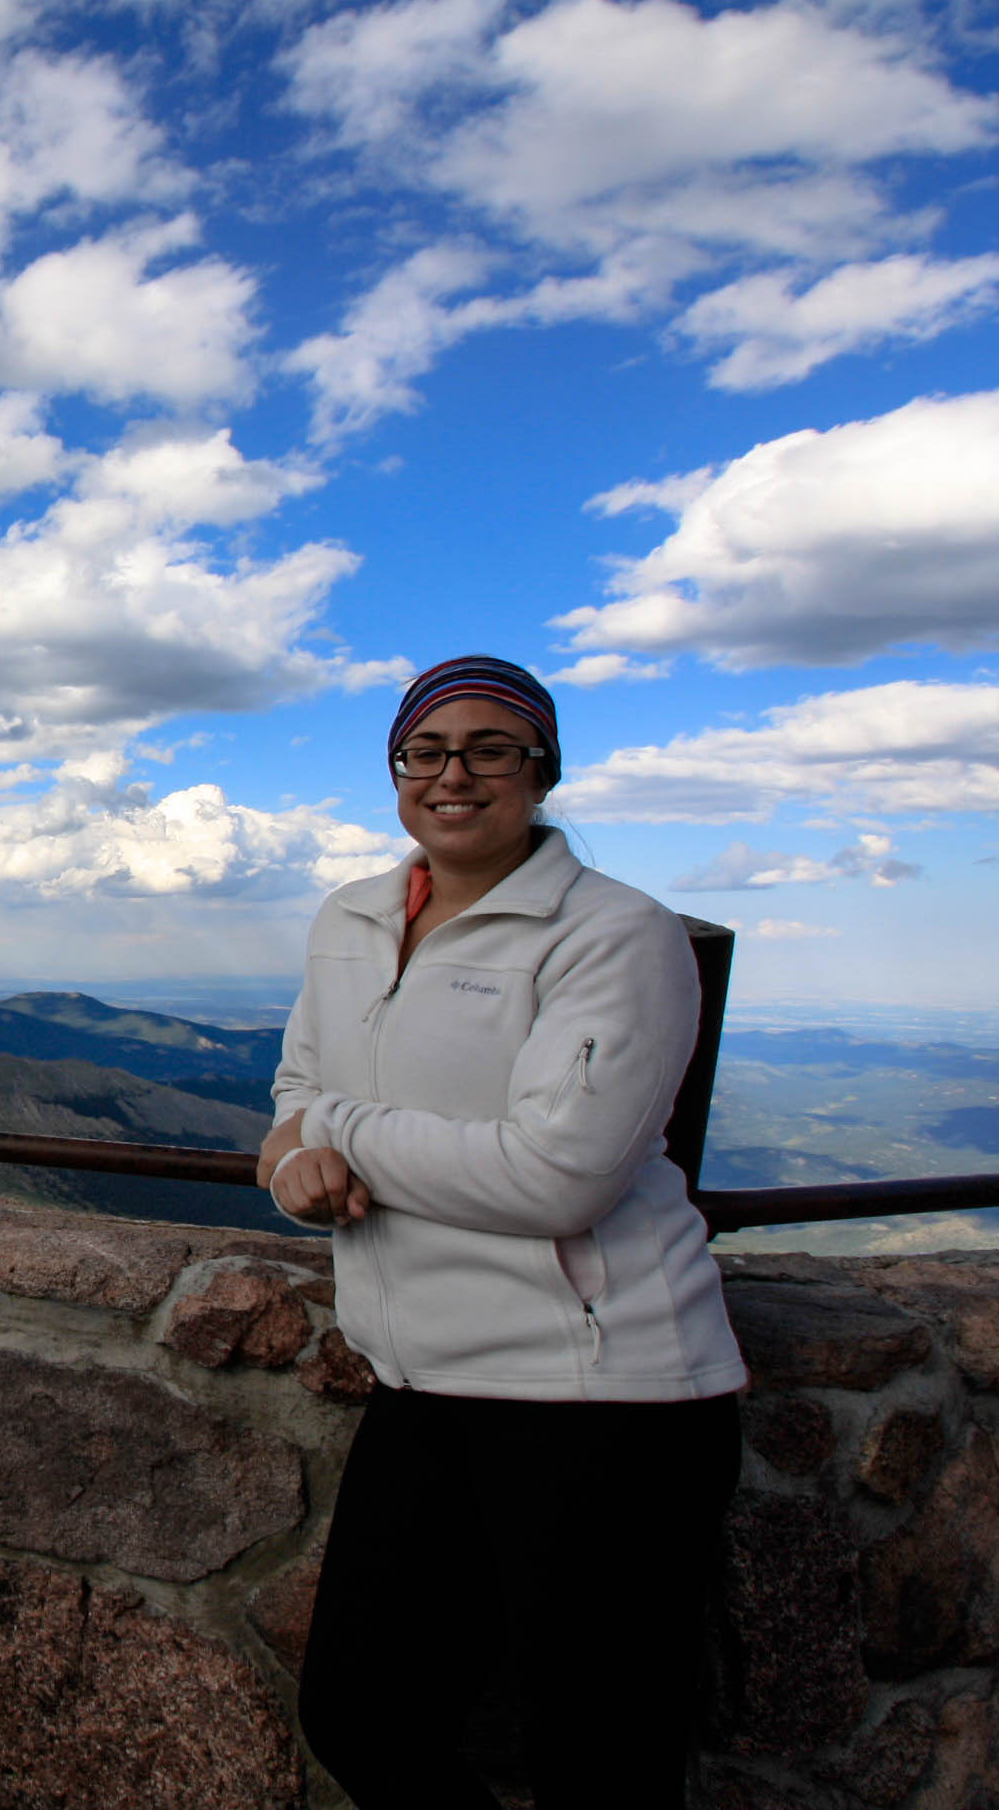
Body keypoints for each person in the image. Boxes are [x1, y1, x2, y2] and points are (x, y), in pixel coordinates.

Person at [260, 654, 745, 1810]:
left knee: (599, 1760)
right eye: (423, 750)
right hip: (419, 1378)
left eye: (490, 748)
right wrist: (298, 1170)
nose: (452, 773)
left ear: (541, 772)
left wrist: (334, 1129)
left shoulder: (615, 933)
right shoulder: (351, 917)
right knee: (360, 1713)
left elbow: (558, 1175)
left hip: (602, 1399)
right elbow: (288, 1104)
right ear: (396, 771)